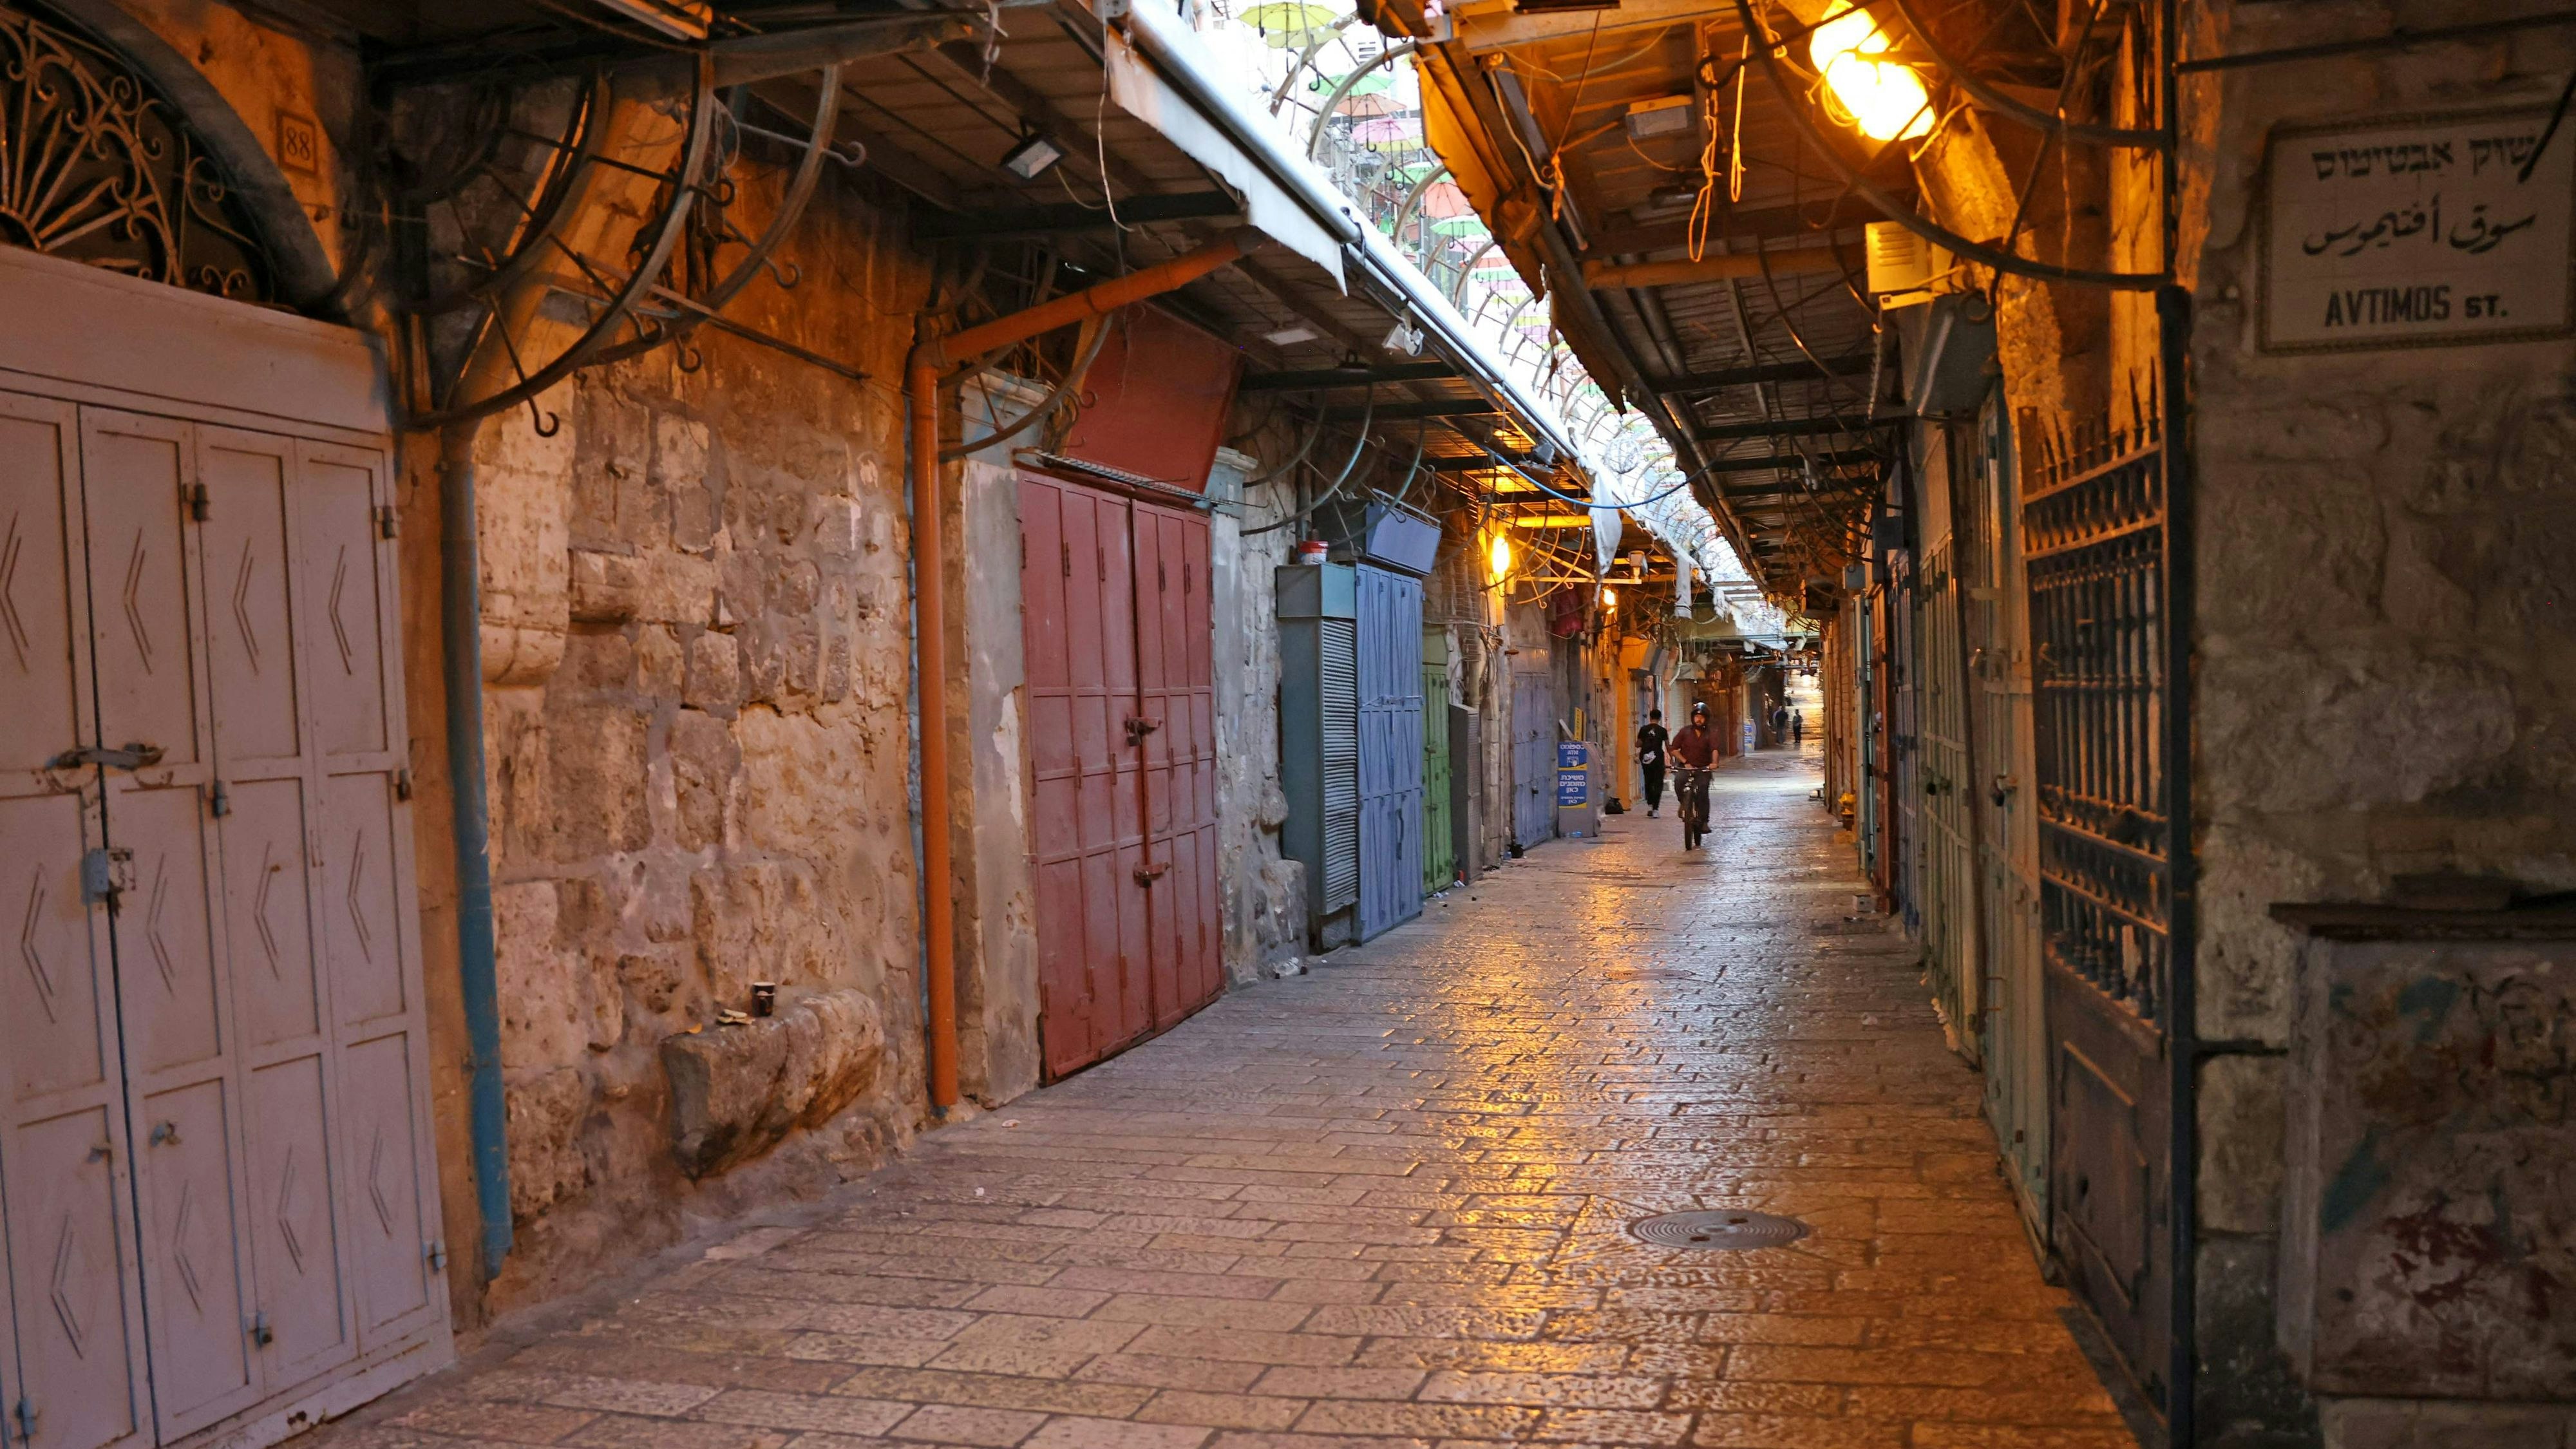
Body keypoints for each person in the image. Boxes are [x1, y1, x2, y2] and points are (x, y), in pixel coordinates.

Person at [1671, 701, 1717, 846]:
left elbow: (1714, 750)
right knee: (1678, 782)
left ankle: (1704, 821)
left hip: (1703, 769)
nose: (1699, 719)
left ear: (1706, 719)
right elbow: (1674, 749)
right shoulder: (1685, 732)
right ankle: (1684, 804)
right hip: (1686, 767)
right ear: (1692, 718)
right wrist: (1685, 762)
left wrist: (1714, 763)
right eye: (1696, 717)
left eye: (1702, 717)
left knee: (1703, 791)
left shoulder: (1710, 733)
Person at [1635, 709, 1670, 817]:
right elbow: (1668, 746)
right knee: (1658, 782)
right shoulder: (1663, 731)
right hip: (1658, 758)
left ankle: (1650, 803)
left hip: (1646, 758)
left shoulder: (1643, 729)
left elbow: (1638, 744)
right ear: (1659, 718)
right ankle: (1655, 809)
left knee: (1648, 780)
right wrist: (1672, 758)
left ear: (1650, 717)